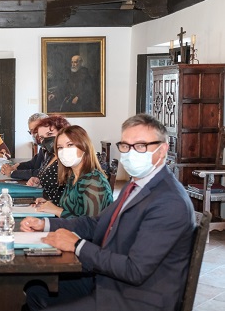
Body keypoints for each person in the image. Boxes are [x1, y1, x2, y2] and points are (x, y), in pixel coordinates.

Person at [21, 113, 195, 311]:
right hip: (111, 281)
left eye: (140, 146)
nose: (130, 153)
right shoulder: (138, 185)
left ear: (162, 150)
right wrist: (46, 224)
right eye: (125, 146)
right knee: (35, 291)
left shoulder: (168, 201)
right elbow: (96, 222)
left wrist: (77, 245)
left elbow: (135, 270)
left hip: (135, 298)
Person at [32, 125, 113, 218]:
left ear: (84, 146)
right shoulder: (73, 176)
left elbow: (93, 226)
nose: (64, 151)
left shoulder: (93, 181)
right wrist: (51, 204)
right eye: (60, 147)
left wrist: (57, 210)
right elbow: (73, 209)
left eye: (70, 145)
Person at [26, 115, 70, 205]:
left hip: (59, 212)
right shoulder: (50, 155)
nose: (46, 140)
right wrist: (38, 181)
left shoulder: (67, 158)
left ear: (62, 132)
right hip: (47, 204)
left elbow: (68, 194)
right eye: (42, 137)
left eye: (50, 134)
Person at [1, 112, 48, 180]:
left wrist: (12, 173)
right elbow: (33, 163)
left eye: (36, 130)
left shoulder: (54, 148)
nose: (34, 134)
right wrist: (15, 167)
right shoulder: (43, 146)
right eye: (31, 131)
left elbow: (41, 173)